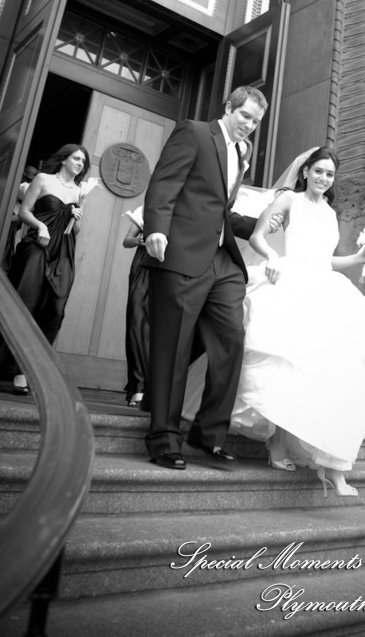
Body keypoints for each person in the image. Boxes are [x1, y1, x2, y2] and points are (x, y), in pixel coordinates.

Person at [230, 146, 365, 497]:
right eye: (319, 171)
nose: (323, 178)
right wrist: (271, 254)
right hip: (291, 279)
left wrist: (361, 256)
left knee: (330, 371)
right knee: (290, 364)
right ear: (305, 172)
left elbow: (326, 261)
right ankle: (279, 446)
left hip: (324, 287)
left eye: (330, 174)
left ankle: (332, 463)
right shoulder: (288, 201)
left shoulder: (330, 213)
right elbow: (257, 235)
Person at [143, 85, 269, 470]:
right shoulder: (195, 132)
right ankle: (164, 439)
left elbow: (220, 209)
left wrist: (267, 224)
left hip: (222, 261)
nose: (249, 125)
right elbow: (165, 182)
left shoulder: (241, 154)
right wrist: (156, 228)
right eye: (245, 115)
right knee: (174, 344)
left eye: (256, 121)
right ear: (228, 107)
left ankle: (208, 434)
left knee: (231, 337)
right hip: (181, 251)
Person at [7, 144, 91, 395]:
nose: (79, 164)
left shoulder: (79, 191)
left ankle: (37, 367)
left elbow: (75, 232)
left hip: (63, 251)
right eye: (76, 158)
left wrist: (77, 217)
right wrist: (40, 227)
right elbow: (23, 211)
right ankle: (20, 370)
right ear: (64, 159)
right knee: (28, 304)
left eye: (83, 162)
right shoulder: (43, 179)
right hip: (37, 246)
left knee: (55, 309)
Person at [122, 207, 150, 408]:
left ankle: (152, 388)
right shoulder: (147, 208)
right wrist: (142, 240)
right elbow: (127, 241)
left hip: (170, 269)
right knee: (137, 323)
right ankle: (138, 387)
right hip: (143, 267)